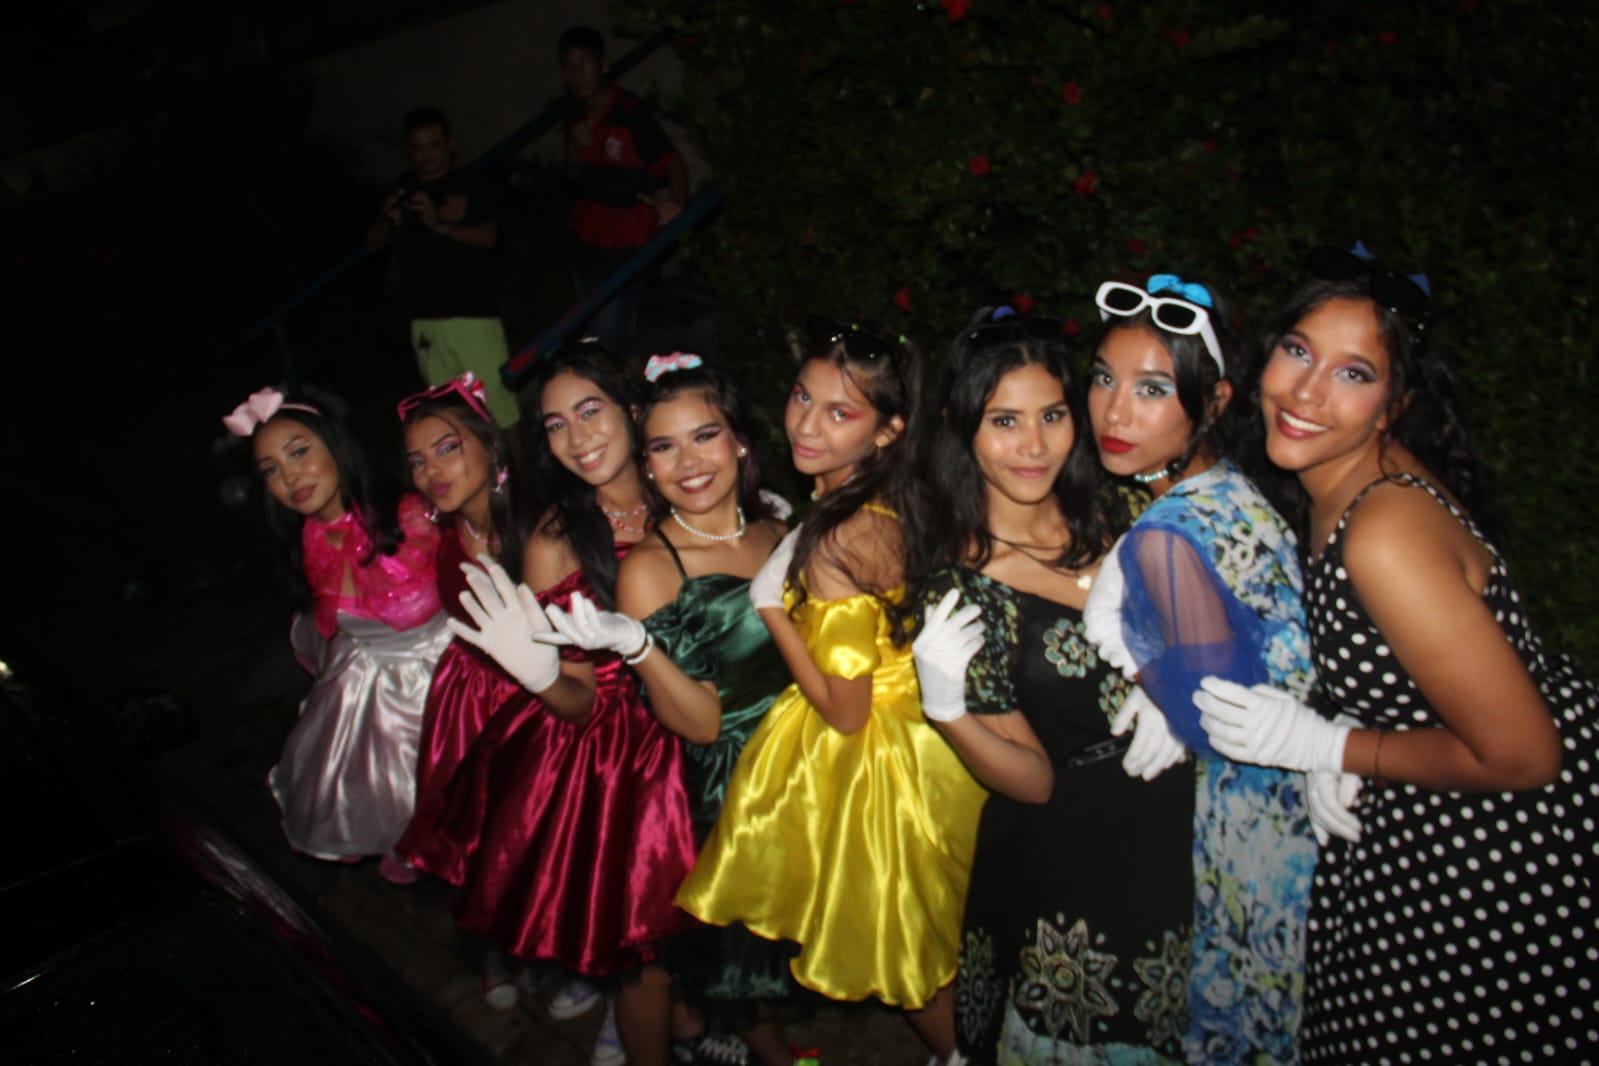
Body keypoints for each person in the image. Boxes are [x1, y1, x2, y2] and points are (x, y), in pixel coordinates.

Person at [1191, 248, 1599, 1062]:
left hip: (1500, 853)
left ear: (1393, 405)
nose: (1306, 392)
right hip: (1434, 808)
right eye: (1298, 351)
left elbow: (1524, 755)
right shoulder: (1335, 481)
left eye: (1353, 373)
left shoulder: (1380, 531)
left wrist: (1331, 746)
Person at [674, 317, 986, 1066]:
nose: (806, 425)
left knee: (907, 960)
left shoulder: (846, 533)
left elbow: (845, 712)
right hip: (919, 729)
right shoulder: (882, 496)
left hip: (878, 756)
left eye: (840, 412)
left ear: (887, 430)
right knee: (932, 948)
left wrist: (771, 608)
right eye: (801, 397)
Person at [904, 309, 1189, 1063]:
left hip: (1194, 818)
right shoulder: (962, 586)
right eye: (1004, 421)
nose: (1033, 446)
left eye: (1052, 416)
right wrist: (949, 711)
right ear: (960, 426)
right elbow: (1031, 782)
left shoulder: (1126, 508)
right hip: (1085, 854)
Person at [434, 343, 698, 1066]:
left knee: (707, 939)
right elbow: (578, 700)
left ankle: (697, 1032)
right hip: (629, 763)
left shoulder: (690, 484)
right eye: (554, 425)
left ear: (633, 410)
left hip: (713, 730)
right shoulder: (556, 539)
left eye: (589, 411)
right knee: (649, 957)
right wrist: (540, 676)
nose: (576, 438)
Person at [537, 353, 802, 1065]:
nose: (687, 462)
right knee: (711, 963)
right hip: (716, 787)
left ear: (739, 440)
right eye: (664, 446)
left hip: (801, 766)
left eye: (705, 436)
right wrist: (635, 649)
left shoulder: (775, 530)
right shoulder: (640, 564)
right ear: (649, 462)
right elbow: (699, 722)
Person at [1080, 274, 1316, 1064]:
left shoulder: (1166, 531)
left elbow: (1216, 717)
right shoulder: (1230, 487)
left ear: (1212, 402)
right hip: (1296, 810)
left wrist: (1140, 661)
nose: (1114, 412)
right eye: (1104, 379)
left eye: (1151, 389)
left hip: (1255, 830)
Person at [223, 387, 450, 882]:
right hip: (369, 673)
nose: (290, 477)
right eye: (271, 470)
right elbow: (332, 616)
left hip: (447, 672)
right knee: (357, 778)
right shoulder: (307, 539)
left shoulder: (412, 514)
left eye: (299, 452)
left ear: (335, 445)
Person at [391, 372, 533, 890]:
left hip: (536, 704)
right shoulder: (437, 529)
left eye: (447, 449)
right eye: (417, 461)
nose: (431, 471)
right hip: (469, 698)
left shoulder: (540, 529)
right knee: (475, 842)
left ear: (491, 445)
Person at [369, 106, 520, 429]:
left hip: (473, 316)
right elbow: (372, 243)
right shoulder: (401, 189)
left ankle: (517, 465)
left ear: (450, 144)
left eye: (434, 145)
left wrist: (439, 225)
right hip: (425, 321)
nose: (427, 155)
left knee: (499, 409)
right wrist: (386, 218)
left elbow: (489, 237)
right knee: (449, 414)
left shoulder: (471, 183)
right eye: (418, 147)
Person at [559, 25, 687, 362]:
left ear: (603, 64)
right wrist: (576, 153)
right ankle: (633, 388)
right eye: (569, 65)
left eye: (585, 62)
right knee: (609, 343)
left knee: (608, 344)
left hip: (625, 250)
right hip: (586, 246)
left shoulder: (631, 113)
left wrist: (676, 205)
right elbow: (575, 174)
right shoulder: (574, 114)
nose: (578, 73)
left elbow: (672, 161)